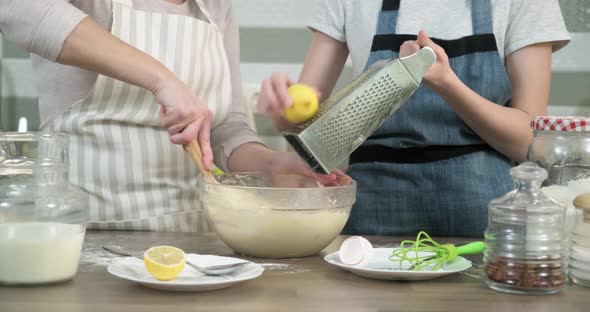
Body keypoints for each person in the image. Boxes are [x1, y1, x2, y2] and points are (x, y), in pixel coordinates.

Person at [0, 0, 346, 232]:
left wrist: (274, 166)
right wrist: (161, 80)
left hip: (193, 239)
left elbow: (226, 129)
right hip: (90, 235)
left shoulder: (215, 8)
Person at [257, 0, 571, 237]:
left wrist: (447, 84)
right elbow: (306, 126)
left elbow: (529, 143)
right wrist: (283, 111)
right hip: (368, 221)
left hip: (485, 220)